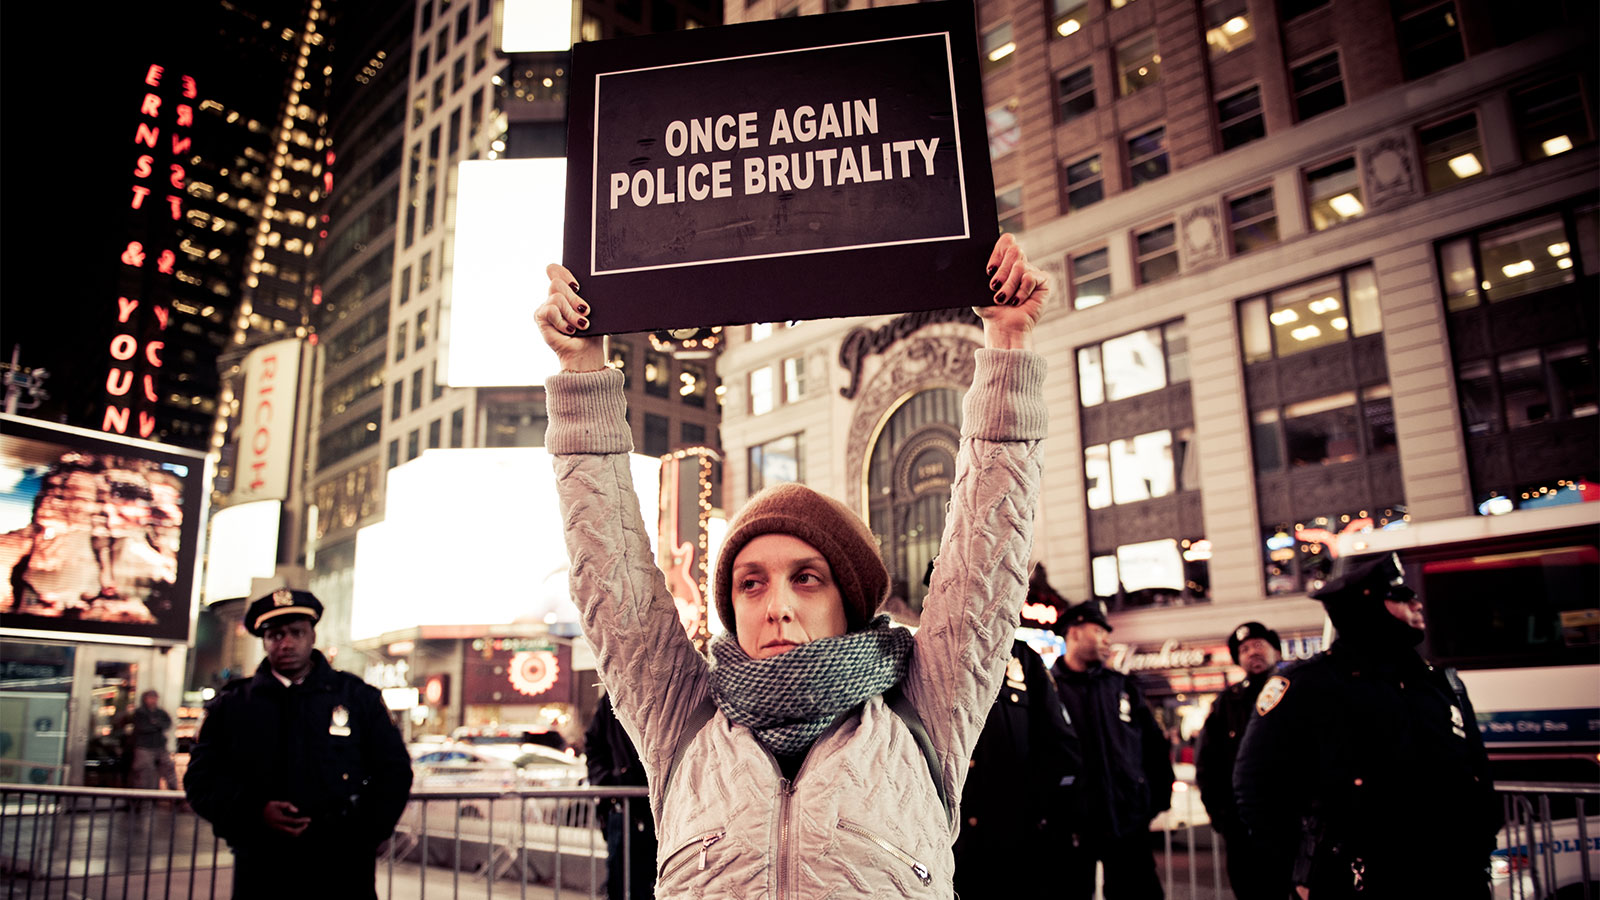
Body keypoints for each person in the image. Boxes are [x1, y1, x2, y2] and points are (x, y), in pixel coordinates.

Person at [536, 233, 1047, 895]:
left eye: (806, 577)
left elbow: (987, 551)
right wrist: (580, 371)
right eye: (751, 583)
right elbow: (610, 569)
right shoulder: (682, 724)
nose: (776, 604)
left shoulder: (925, 713)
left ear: (851, 601)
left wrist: (1007, 345)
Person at [1233, 554, 1499, 899]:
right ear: (1368, 606)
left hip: (1455, 874)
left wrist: (1481, 843)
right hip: (1362, 879)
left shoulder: (1438, 682)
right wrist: (1300, 868)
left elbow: (1476, 770)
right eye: (1401, 597)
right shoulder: (1307, 684)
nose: (1417, 604)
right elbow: (1254, 787)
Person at [184, 589, 414, 899]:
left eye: (296, 632)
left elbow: (394, 772)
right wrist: (254, 813)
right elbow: (201, 781)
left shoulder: (358, 698)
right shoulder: (232, 706)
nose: (287, 643)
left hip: (343, 868)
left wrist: (365, 835)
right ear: (264, 641)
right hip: (263, 866)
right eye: (276, 635)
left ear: (312, 635)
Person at [951, 579, 1083, 899]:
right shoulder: (923, 657)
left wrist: (1038, 811)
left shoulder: (1023, 659)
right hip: (951, 841)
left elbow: (1060, 745)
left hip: (1015, 835)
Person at [1050, 599, 1173, 900]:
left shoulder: (1122, 687)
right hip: (1072, 828)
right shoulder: (1049, 689)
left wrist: (1154, 800)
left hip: (1127, 822)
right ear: (1074, 632)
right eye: (1098, 631)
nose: (1107, 639)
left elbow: (1153, 745)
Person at [1196, 622, 1282, 900]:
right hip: (1241, 826)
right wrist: (1220, 815)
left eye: (1259, 645)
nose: (1252, 653)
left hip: (1289, 823)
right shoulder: (1227, 702)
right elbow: (1207, 763)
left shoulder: (1295, 691)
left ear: (1275, 651)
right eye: (1244, 649)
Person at [586, 692, 657, 900]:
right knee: (622, 883)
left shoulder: (674, 685)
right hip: (625, 811)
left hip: (663, 810)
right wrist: (613, 781)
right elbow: (593, 747)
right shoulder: (613, 696)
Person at [131, 690, 181, 791]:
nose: (153, 701)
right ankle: (146, 801)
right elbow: (143, 727)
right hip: (145, 747)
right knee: (146, 774)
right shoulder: (141, 713)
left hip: (159, 746)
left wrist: (154, 724)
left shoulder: (160, 712)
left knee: (168, 768)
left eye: (154, 698)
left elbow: (167, 724)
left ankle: (174, 795)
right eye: (150, 698)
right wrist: (157, 725)